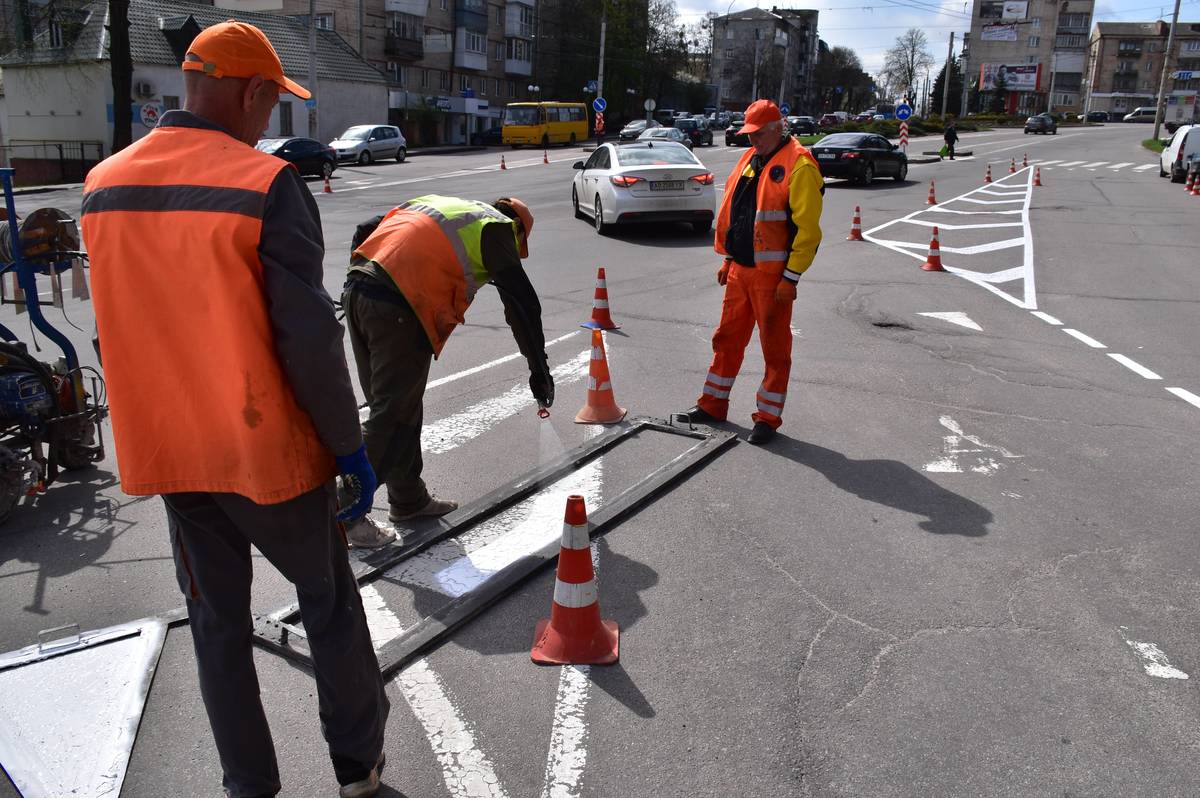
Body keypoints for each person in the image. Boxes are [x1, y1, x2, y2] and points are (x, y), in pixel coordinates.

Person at [79, 21, 389, 798]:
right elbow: (309, 339)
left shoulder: (103, 184)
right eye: (272, 103)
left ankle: (248, 787)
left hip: (172, 453)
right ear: (250, 91)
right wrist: (349, 447)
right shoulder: (263, 184)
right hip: (264, 454)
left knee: (217, 626)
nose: (269, 121)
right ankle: (358, 774)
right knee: (328, 603)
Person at [341, 194, 554, 541]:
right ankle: (346, 512)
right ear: (517, 229)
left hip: (360, 291)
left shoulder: (446, 206)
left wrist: (360, 283)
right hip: (398, 307)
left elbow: (366, 228)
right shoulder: (497, 228)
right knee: (391, 414)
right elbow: (522, 304)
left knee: (398, 406)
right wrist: (539, 369)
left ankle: (408, 499)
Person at [683, 99, 823, 445]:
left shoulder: (800, 165)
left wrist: (791, 277)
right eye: (750, 134)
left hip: (773, 278)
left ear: (778, 128)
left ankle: (767, 418)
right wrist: (728, 258)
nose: (752, 140)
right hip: (740, 271)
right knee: (726, 340)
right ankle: (713, 404)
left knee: (775, 349)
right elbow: (739, 213)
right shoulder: (750, 159)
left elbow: (808, 232)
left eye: (759, 134)